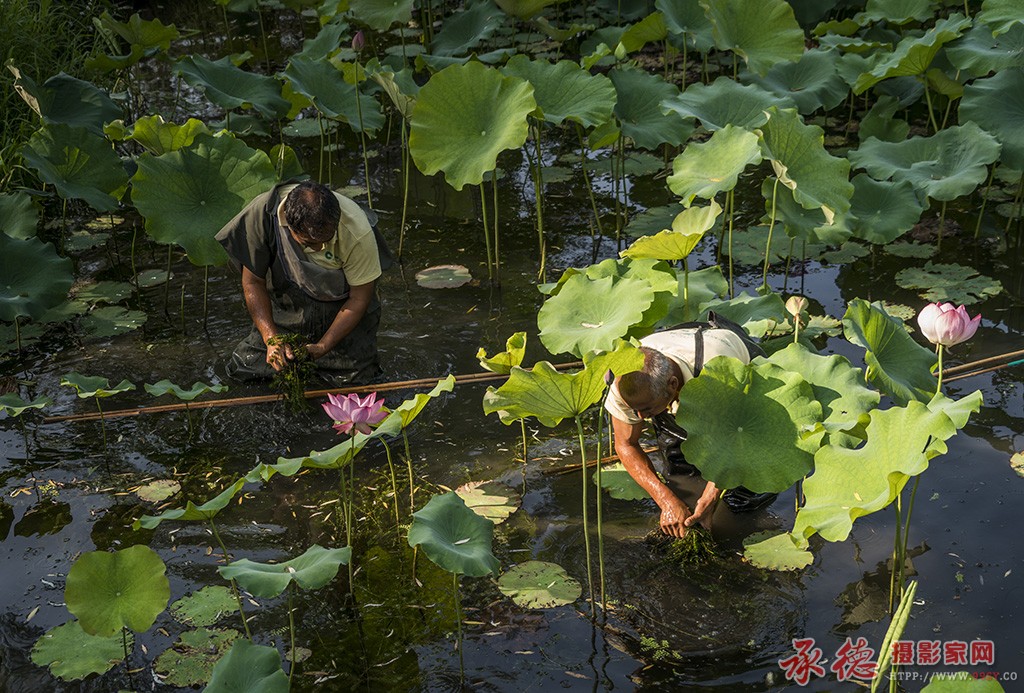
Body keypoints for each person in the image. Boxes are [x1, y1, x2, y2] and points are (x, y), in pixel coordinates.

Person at [605, 316, 775, 538]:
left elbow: (736, 439)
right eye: (634, 409)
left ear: (673, 385)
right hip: (671, 365)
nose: (639, 417)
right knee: (679, 469)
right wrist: (666, 500)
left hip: (728, 358)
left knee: (743, 493)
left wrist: (710, 498)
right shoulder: (623, 381)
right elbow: (626, 444)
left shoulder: (719, 374)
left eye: (645, 409)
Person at [215, 180, 390, 385]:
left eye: (328, 238)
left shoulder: (358, 232)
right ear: (289, 227)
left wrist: (323, 346)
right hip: (285, 311)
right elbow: (252, 283)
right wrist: (271, 339)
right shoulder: (262, 216)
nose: (321, 248)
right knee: (243, 369)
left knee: (358, 381)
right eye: (310, 243)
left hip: (343, 314)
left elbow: (360, 298)